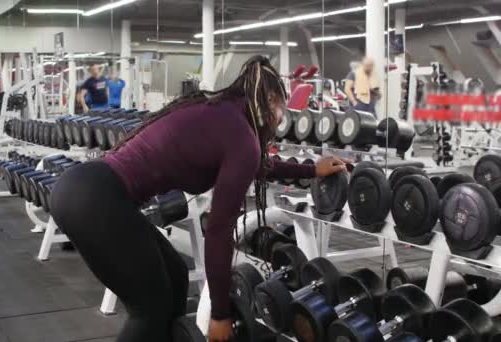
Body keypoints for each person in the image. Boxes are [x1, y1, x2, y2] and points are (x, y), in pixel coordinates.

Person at [50, 56, 349, 342]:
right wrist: (219, 313)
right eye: (282, 109)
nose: (281, 119)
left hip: (85, 188)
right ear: (270, 101)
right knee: (149, 309)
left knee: (177, 276)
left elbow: (258, 165)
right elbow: (219, 231)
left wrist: (311, 169)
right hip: (97, 200)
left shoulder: (223, 113)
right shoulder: (241, 136)